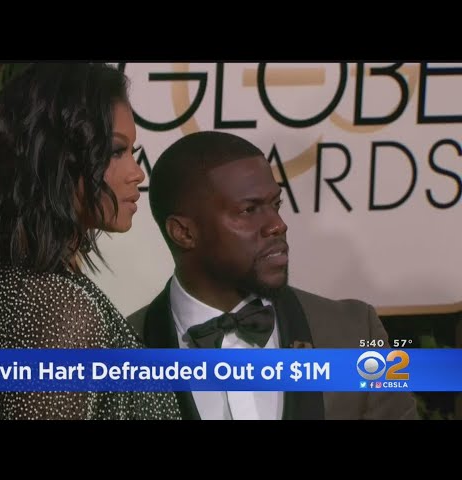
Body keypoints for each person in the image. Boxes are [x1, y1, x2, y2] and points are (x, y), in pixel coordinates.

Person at [128, 131, 419, 420]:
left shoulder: (355, 333)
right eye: (249, 210)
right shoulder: (119, 350)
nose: (277, 225)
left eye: (275, 205)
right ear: (184, 232)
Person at [0, 63, 181, 420]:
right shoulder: (60, 308)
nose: (137, 173)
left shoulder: (6, 282)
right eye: (116, 151)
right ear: (55, 158)